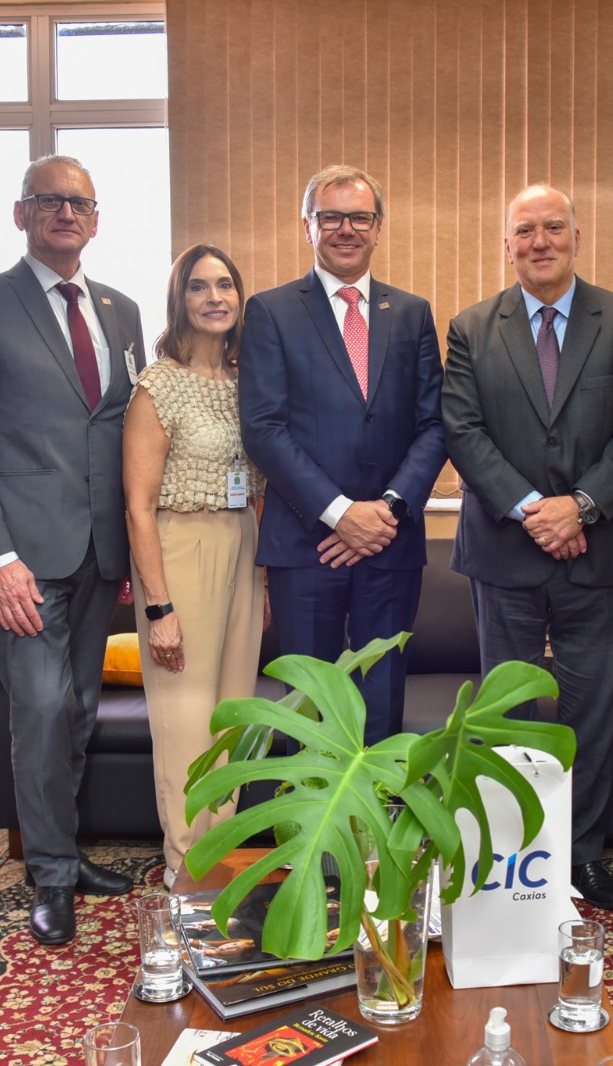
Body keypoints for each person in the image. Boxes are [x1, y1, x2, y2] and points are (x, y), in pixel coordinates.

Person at [0, 154, 146, 945]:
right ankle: (51, 875)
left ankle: (67, 852)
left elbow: (125, 428)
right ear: (21, 213)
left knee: (86, 707)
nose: (66, 213)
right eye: (49, 201)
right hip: (24, 558)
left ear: (96, 220)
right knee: (42, 706)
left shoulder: (120, 311)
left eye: (80, 203)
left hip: (101, 553)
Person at [442, 183, 613, 911]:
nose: (540, 241)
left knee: (589, 713)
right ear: (507, 244)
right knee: (508, 714)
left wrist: (583, 509)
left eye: (553, 227)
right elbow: (464, 433)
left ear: (576, 235)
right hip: (505, 551)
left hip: (594, 556)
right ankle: (513, 854)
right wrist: (538, 511)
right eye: (525, 230)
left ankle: (580, 855)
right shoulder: (472, 328)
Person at [239, 165, 445, 744]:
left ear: (378, 227)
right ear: (308, 226)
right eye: (331, 217)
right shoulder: (271, 311)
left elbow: (434, 424)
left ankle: (378, 832)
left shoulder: (411, 313)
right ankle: (316, 835)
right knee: (310, 705)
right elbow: (263, 428)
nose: (346, 229)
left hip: (391, 539)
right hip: (307, 547)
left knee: (383, 696)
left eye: (360, 217)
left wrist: (387, 511)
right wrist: (339, 512)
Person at [123, 243, 265, 887]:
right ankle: (184, 873)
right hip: (180, 551)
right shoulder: (159, 384)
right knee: (186, 726)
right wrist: (159, 608)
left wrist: (260, 579)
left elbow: (257, 487)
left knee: (231, 716)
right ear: (180, 299)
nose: (215, 297)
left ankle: (219, 865)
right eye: (199, 287)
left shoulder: (247, 381)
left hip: (243, 552)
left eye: (226, 285)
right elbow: (137, 505)